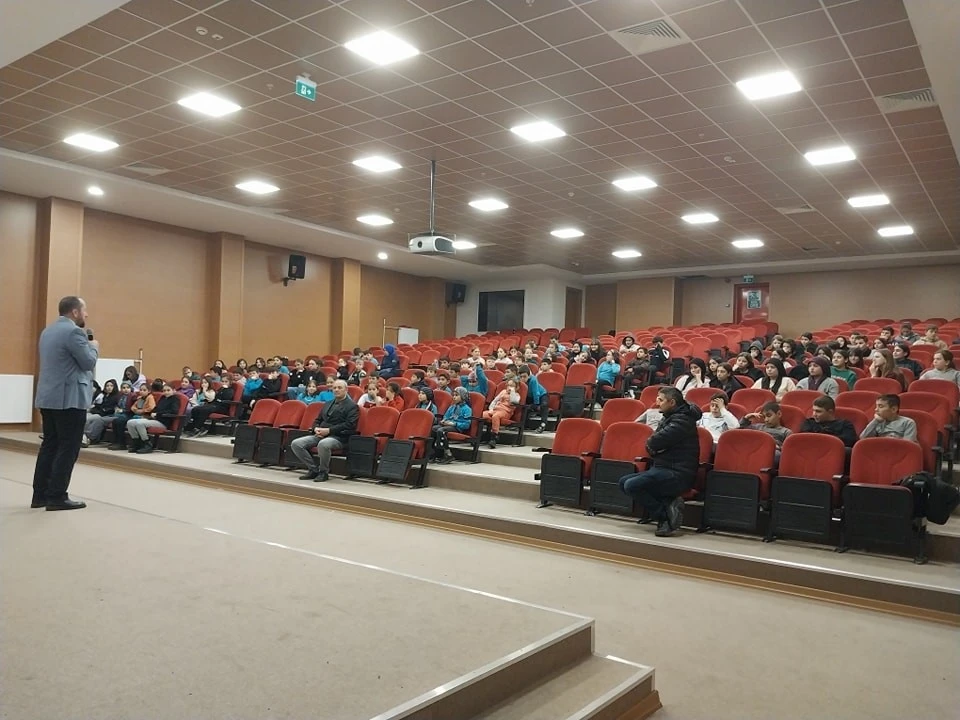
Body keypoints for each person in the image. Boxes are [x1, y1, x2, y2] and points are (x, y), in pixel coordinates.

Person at [31, 297, 100, 510]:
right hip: (69, 399)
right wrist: (94, 347)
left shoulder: (47, 331)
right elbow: (88, 362)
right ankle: (57, 496)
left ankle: (40, 495)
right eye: (84, 310)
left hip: (48, 397)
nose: (86, 314)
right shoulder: (74, 332)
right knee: (68, 447)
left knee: (50, 445)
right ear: (75, 312)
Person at [619, 387, 700, 537]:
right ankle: (669, 506)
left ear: (672, 402)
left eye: (661, 400)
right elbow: (653, 445)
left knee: (632, 485)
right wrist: (655, 448)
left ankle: (665, 517)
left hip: (678, 473)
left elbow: (653, 442)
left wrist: (655, 448)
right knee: (623, 482)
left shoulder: (682, 421)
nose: (657, 403)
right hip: (663, 468)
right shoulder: (671, 416)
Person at [289, 380, 359, 481]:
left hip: (339, 437)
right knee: (296, 444)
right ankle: (313, 469)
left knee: (323, 444)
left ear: (346, 390)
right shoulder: (328, 403)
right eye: (334, 388)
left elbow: (349, 425)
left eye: (339, 388)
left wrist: (329, 430)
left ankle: (323, 472)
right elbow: (318, 420)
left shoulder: (352, 406)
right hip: (321, 434)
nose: (336, 390)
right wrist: (316, 428)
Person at [126, 383, 181, 454]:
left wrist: (158, 414)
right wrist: (152, 412)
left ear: (174, 390)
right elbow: (156, 408)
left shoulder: (175, 399)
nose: (166, 392)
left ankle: (147, 444)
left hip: (163, 422)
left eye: (168, 390)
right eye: (164, 390)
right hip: (155, 419)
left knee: (140, 424)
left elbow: (173, 411)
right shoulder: (163, 398)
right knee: (130, 422)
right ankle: (136, 443)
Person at [431, 386, 472, 464]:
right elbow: (446, 416)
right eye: (453, 395)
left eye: (456, 395)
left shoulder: (467, 409)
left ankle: (448, 454)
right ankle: (434, 452)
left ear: (463, 396)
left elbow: (466, 424)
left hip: (457, 427)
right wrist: (444, 421)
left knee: (441, 431)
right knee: (433, 428)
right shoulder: (452, 407)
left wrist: (454, 423)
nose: (454, 397)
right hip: (448, 425)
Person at [482, 378, 520, 448]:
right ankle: (478, 435)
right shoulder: (503, 392)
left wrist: (512, 392)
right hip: (495, 410)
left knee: (495, 416)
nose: (509, 387)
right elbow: (494, 401)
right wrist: (490, 409)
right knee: (482, 414)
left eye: (512, 386)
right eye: (508, 385)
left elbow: (513, 401)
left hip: (505, 412)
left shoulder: (516, 396)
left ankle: (494, 437)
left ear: (516, 387)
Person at [83, 378, 120, 447]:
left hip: (110, 415)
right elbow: (99, 406)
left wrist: (101, 410)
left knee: (98, 420)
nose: (109, 388)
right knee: (87, 417)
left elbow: (111, 409)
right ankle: (85, 436)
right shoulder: (104, 396)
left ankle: (89, 437)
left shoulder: (117, 397)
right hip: (102, 413)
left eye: (111, 386)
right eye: (107, 386)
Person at [518, 365, 548, 433]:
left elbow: (536, 393)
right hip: (529, 396)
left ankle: (543, 424)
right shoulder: (518, 380)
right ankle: (524, 425)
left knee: (544, 405)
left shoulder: (533, 380)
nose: (522, 378)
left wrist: (536, 405)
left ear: (529, 376)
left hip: (542, 395)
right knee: (524, 407)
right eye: (521, 377)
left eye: (524, 376)